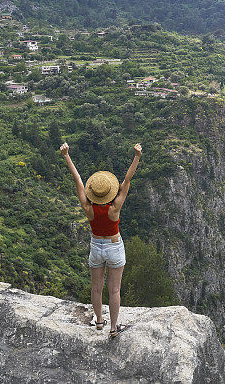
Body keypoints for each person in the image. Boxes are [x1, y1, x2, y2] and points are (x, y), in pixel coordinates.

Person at [60, 141, 142, 338]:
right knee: (114, 290)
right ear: (110, 192)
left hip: (96, 246)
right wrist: (137, 157)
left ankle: (98, 321)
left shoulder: (88, 209)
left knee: (96, 288)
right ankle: (113, 328)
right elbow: (127, 180)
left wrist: (66, 156)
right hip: (114, 246)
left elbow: (78, 179)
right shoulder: (115, 208)